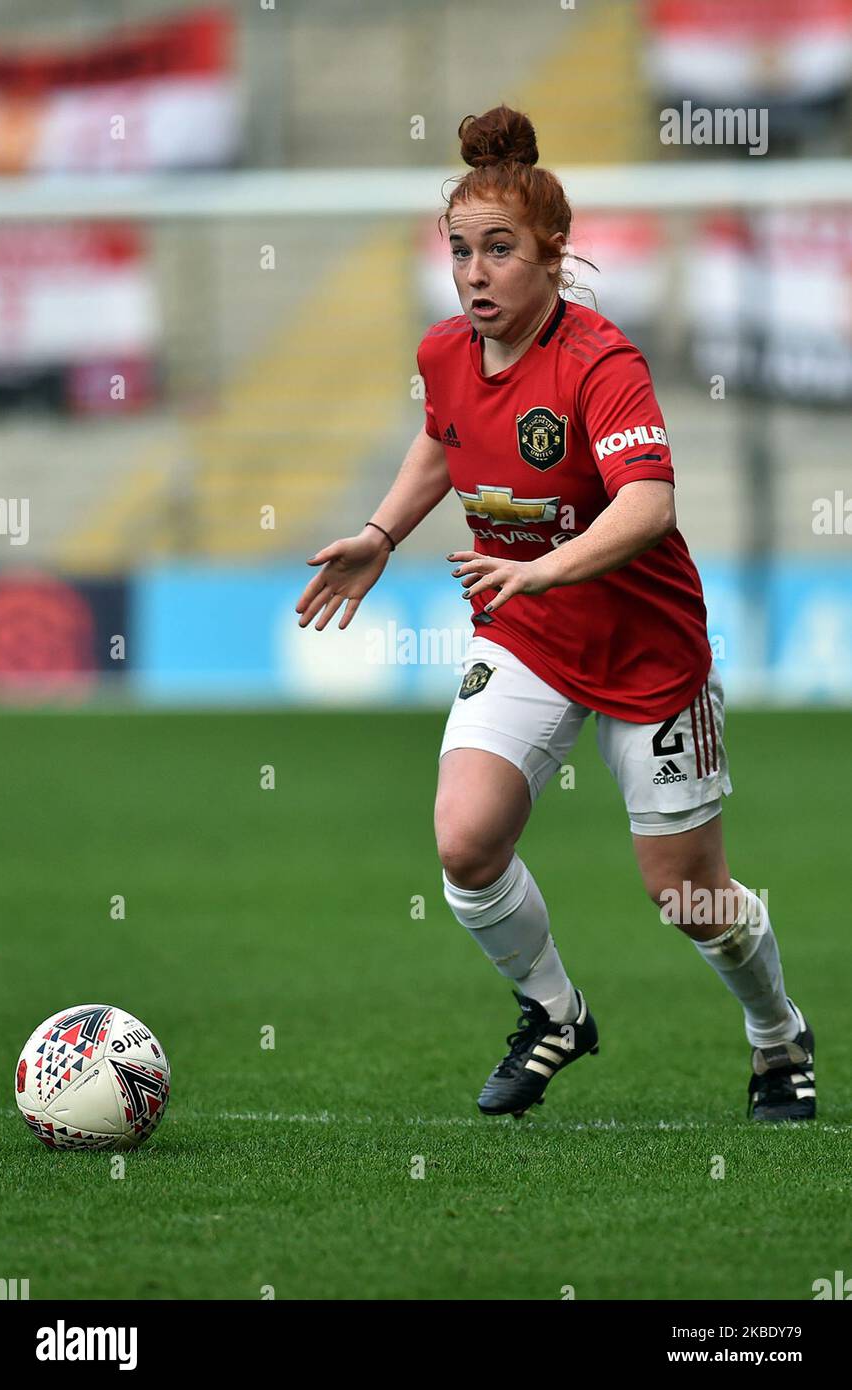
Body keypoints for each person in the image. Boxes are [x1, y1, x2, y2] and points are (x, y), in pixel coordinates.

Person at [295, 103, 815, 1124]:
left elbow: (648, 505)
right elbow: (443, 440)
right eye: (459, 252)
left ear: (551, 256)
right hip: (526, 635)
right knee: (464, 841)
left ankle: (774, 1036)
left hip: (645, 652)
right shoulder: (446, 351)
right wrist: (381, 533)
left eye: (498, 251)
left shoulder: (598, 364)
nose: (474, 272)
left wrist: (546, 568)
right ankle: (552, 1012)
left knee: (687, 896)